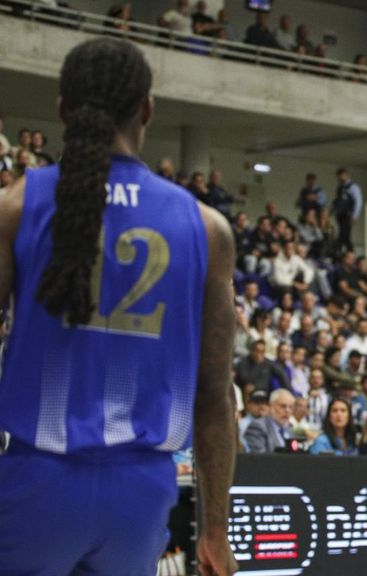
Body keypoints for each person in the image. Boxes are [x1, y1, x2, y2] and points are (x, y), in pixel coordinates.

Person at [0, 38, 236, 575]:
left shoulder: (16, 205)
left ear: (63, 110)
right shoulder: (206, 227)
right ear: (147, 110)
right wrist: (216, 530)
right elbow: (215, 395)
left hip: (36, 483)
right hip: (142, 496)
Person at [244, 388, 295, 454]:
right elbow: (260, 458)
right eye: (283, 406)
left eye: (290, 407)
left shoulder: (288, 428)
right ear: (271, 406)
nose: (287, 411)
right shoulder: (257, 427)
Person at [332, 167, 362, 253]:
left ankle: (349, 253)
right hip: (340, 214)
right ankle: (348, 253)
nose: (340, 178)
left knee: (344, 235)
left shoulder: (353, 187)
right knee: (344, 236)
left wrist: (355, 215)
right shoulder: (340, 187)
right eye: (338, 177)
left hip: (348, 215)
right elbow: (336, 200)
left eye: (341, 176)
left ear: (346, 175)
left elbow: (358, 201)